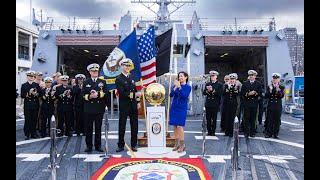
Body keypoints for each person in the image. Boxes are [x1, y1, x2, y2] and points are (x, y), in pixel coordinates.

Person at [115, 59, 141, 152]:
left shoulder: (132, 77)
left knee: (135, 126)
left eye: (129, 66)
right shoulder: (118, 79)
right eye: (125, 65)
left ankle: (134, 144)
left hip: (133, 105)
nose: (127, 67)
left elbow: (136, 91)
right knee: (122, 125)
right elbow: (122, 93)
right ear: (122, 66)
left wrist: (138, 102)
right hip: (124, 105)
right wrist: (134, 95)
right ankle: (120, 145)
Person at [82, 63, 107, 152]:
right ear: (90, 72)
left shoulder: (102, 82)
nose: (95, 72)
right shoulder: (86, 82)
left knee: (98, 128)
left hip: (99, 108)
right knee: (88, 128)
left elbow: (106, 93)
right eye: (93, 71)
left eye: (96, 71)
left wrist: (98, 94)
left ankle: (98, 146)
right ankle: (89, 146)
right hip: (88, 108)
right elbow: (83, 95)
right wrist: (90, 96)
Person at [169, 71, 191, 152]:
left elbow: (184, 95)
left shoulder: (188, 87)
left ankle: (182, 144)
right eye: (179, 76)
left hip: (181, 108)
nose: (180, 78)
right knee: (174, 126)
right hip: (174, 107)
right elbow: (171, 95)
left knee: (179, 126)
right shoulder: (176, 85)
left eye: (182, 76)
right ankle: (176, 143)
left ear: (186, 77)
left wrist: (179, 87)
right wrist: (175, 87)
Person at [240, 70, 262, 138]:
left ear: (255, 76)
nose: (251, 77)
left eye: (252, 75)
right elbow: (242, 94)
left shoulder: (258, 84)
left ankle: (252, 132)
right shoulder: (245, 83)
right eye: (250, 75)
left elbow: (260, 93)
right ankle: (246, 132)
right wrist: (248, 94)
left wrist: (255, 93)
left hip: (254, 103)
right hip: (247, 103)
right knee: (246, 118)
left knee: (253, 118)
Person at [20, 71, 41, 139]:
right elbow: (22, 95)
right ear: (27, 77)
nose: (31, 77)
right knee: (28, 120)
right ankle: (27, 134)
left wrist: (36, 94)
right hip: (28, 105)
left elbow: (40, 94)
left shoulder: (36, 85)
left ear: (34, 77)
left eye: (32, 76)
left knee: (34, 120)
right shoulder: (24, 85)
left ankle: (33, 133)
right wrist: (29, 93)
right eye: (29, 76)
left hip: (35, 105)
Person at [264, 73, 285, 138]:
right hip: (271, 105)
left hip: (278, 106)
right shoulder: (269, 86)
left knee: (277, 120)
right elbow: (266, 96)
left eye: (276, 78)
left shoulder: (282, 87)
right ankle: (269, 133)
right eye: (274, 78)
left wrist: (278, 90)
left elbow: (282, 96)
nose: (275, 80)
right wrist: (270, 90)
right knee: (270, 120)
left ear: (279, 79)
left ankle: (276, 134)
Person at [203, 70, 223, 136]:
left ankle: (213, 131)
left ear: (216, 76)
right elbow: (204, 92)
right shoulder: (208, 84)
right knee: (208, 118)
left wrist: (213, 91)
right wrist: (208, 90)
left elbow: (220, 94)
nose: (212, 77)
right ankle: (209, 131)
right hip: (208, 103)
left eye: (213, 76)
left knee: (214, 118)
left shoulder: (219, 84)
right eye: (211, 76)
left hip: (215, 103)